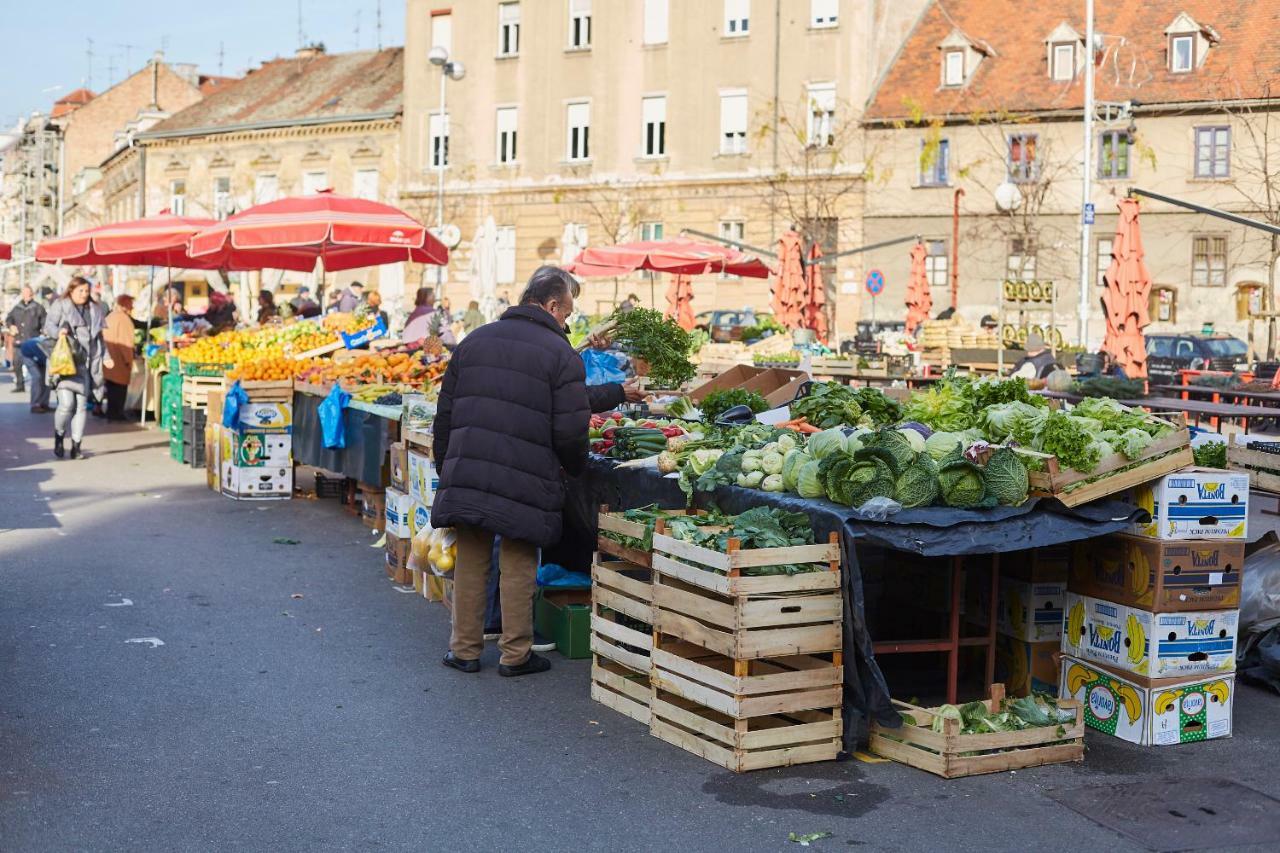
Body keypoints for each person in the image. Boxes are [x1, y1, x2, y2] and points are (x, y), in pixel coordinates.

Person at [432, 266, 590, 677]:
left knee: (471, 559)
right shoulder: (561, 355)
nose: (568, 322)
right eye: (568, 314)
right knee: (520, 559)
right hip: (525, 476)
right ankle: (515, 654)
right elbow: (571, 430)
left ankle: (464, 650)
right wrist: (573, 470)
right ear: (553, 305)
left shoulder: (474, 341)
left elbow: (444, 415)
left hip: (469, 468)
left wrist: (446, 467)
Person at [44, 276, 108, 459]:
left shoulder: (95, 310)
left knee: (81, 406)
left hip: (85, 364)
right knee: (66, 404)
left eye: (87, 291)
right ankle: (59, 435)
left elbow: (100, 339)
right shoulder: (61, 305)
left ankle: (76, 447)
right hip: (65, 362)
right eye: (80, 290)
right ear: (71, 290)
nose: (84, 294)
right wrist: (59, 332)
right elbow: (48, 326)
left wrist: (107, 357)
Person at [103, 294, 137, 421]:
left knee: (112, 389)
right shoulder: (124, 320)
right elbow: (126, 344)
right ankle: (117, 414)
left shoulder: (110, 316)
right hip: (119, 361)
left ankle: (112, 413)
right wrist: (129, 361)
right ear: (125, 304)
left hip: (109, 360)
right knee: (119, 390)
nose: (132, 306)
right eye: (131, 303)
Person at [6, 285, 46, 393]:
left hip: (33, 341)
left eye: (28, 293)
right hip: (19, 340)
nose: (26, 295)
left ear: (32, 294)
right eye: (24, 293)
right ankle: (20, 385)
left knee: (35, 367)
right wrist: (11, 326)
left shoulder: (38, 307)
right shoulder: (17, 307)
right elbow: (9, 319)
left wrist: (44, 331)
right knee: (17, 363)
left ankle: (38, 388)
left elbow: (44, 322)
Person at [19, 336, 52, 413]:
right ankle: (35, 405)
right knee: (37, 377)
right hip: (27, 355)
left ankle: (44, 403)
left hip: (39, 356)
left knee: (47, 379)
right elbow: (46, 359)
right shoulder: (42, 346)